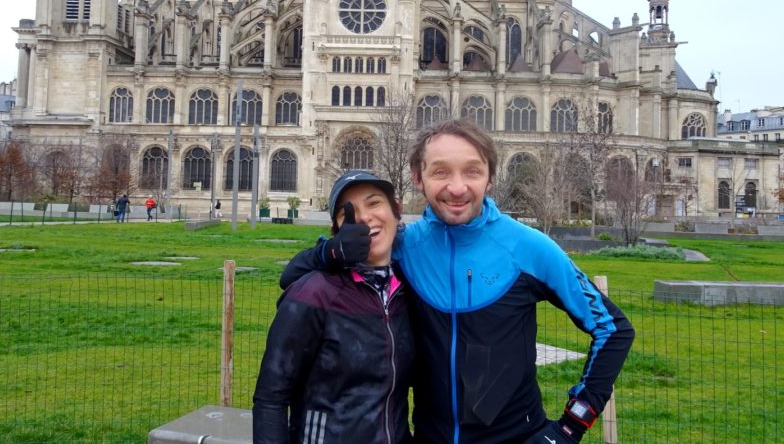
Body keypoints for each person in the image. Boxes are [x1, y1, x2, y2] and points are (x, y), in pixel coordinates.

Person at [281, 120, 634, 444]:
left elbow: (613, 329)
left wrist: (570, 428)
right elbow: (292, 279)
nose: (457, 187)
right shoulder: (404, 246)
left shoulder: (529, 247)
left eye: (472, 172)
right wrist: (330, 252)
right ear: (418, 178)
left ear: (490, 178)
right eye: (440, 172)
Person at [254, 171, 413, 444]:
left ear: (396, 211)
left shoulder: (409, 292)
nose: (364, 218)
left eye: (374, 203)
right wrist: (328, 252)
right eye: (347, 213)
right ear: (339, 231)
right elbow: (271, 399)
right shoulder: (314, 293)